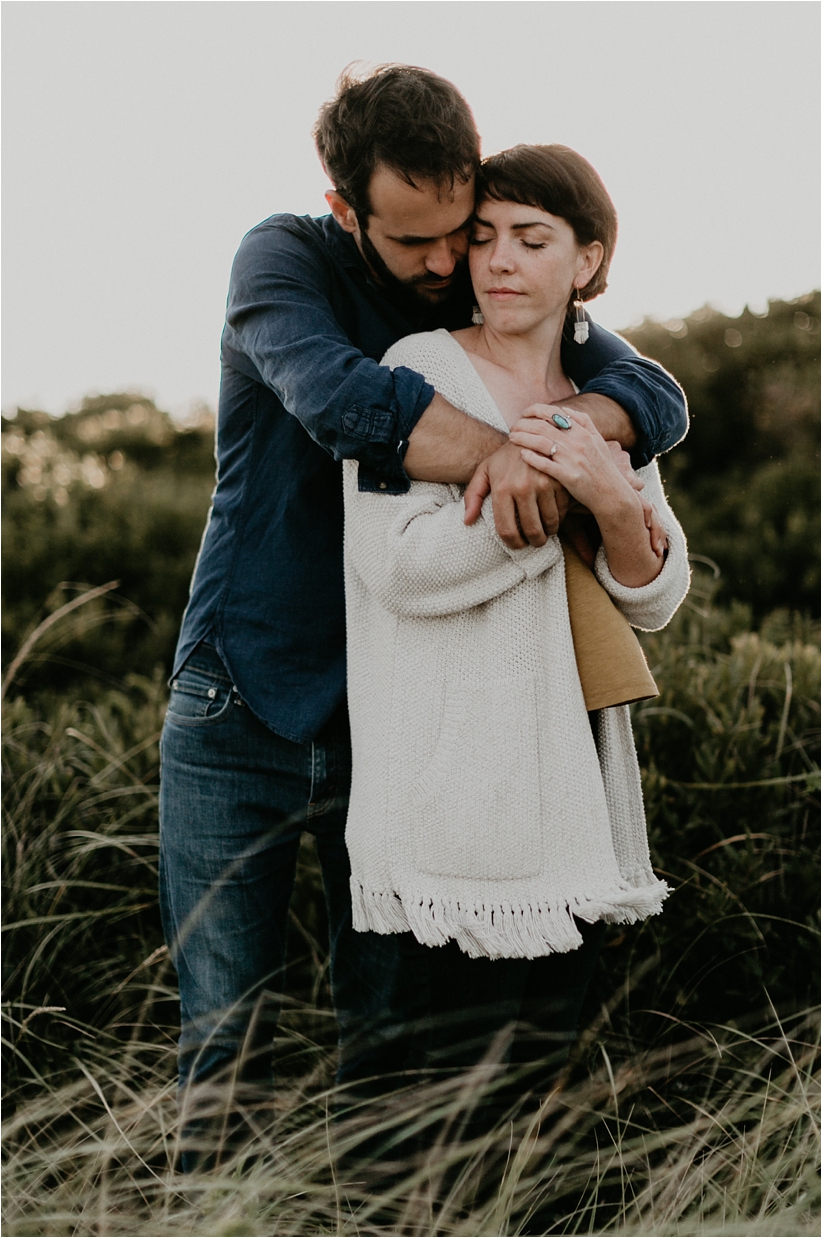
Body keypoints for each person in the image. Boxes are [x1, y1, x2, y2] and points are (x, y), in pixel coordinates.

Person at [158, 65, 688, 1164]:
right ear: (347, 208)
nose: (450, 264)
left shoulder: (468, 286)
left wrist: (584, 433)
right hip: (245, 694)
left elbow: (653, 394)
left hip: (386, 713)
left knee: (388, 1030)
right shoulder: (284, 262)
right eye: (417, 244)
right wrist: (535, 466)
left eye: (467, 232)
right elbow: (341, 402)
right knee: (228, 1033)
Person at [341, 143, 690, 1095]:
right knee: (411, 1129)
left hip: (569, 805)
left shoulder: (604, 410)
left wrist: (610, 503)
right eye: (484, 237)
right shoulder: (419, 371)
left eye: (531, 239)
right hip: (444, 810)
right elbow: (397, 566)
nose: (496, 260)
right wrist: (543, 502)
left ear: (586, 261)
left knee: (531, 1127)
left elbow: (656, 594)